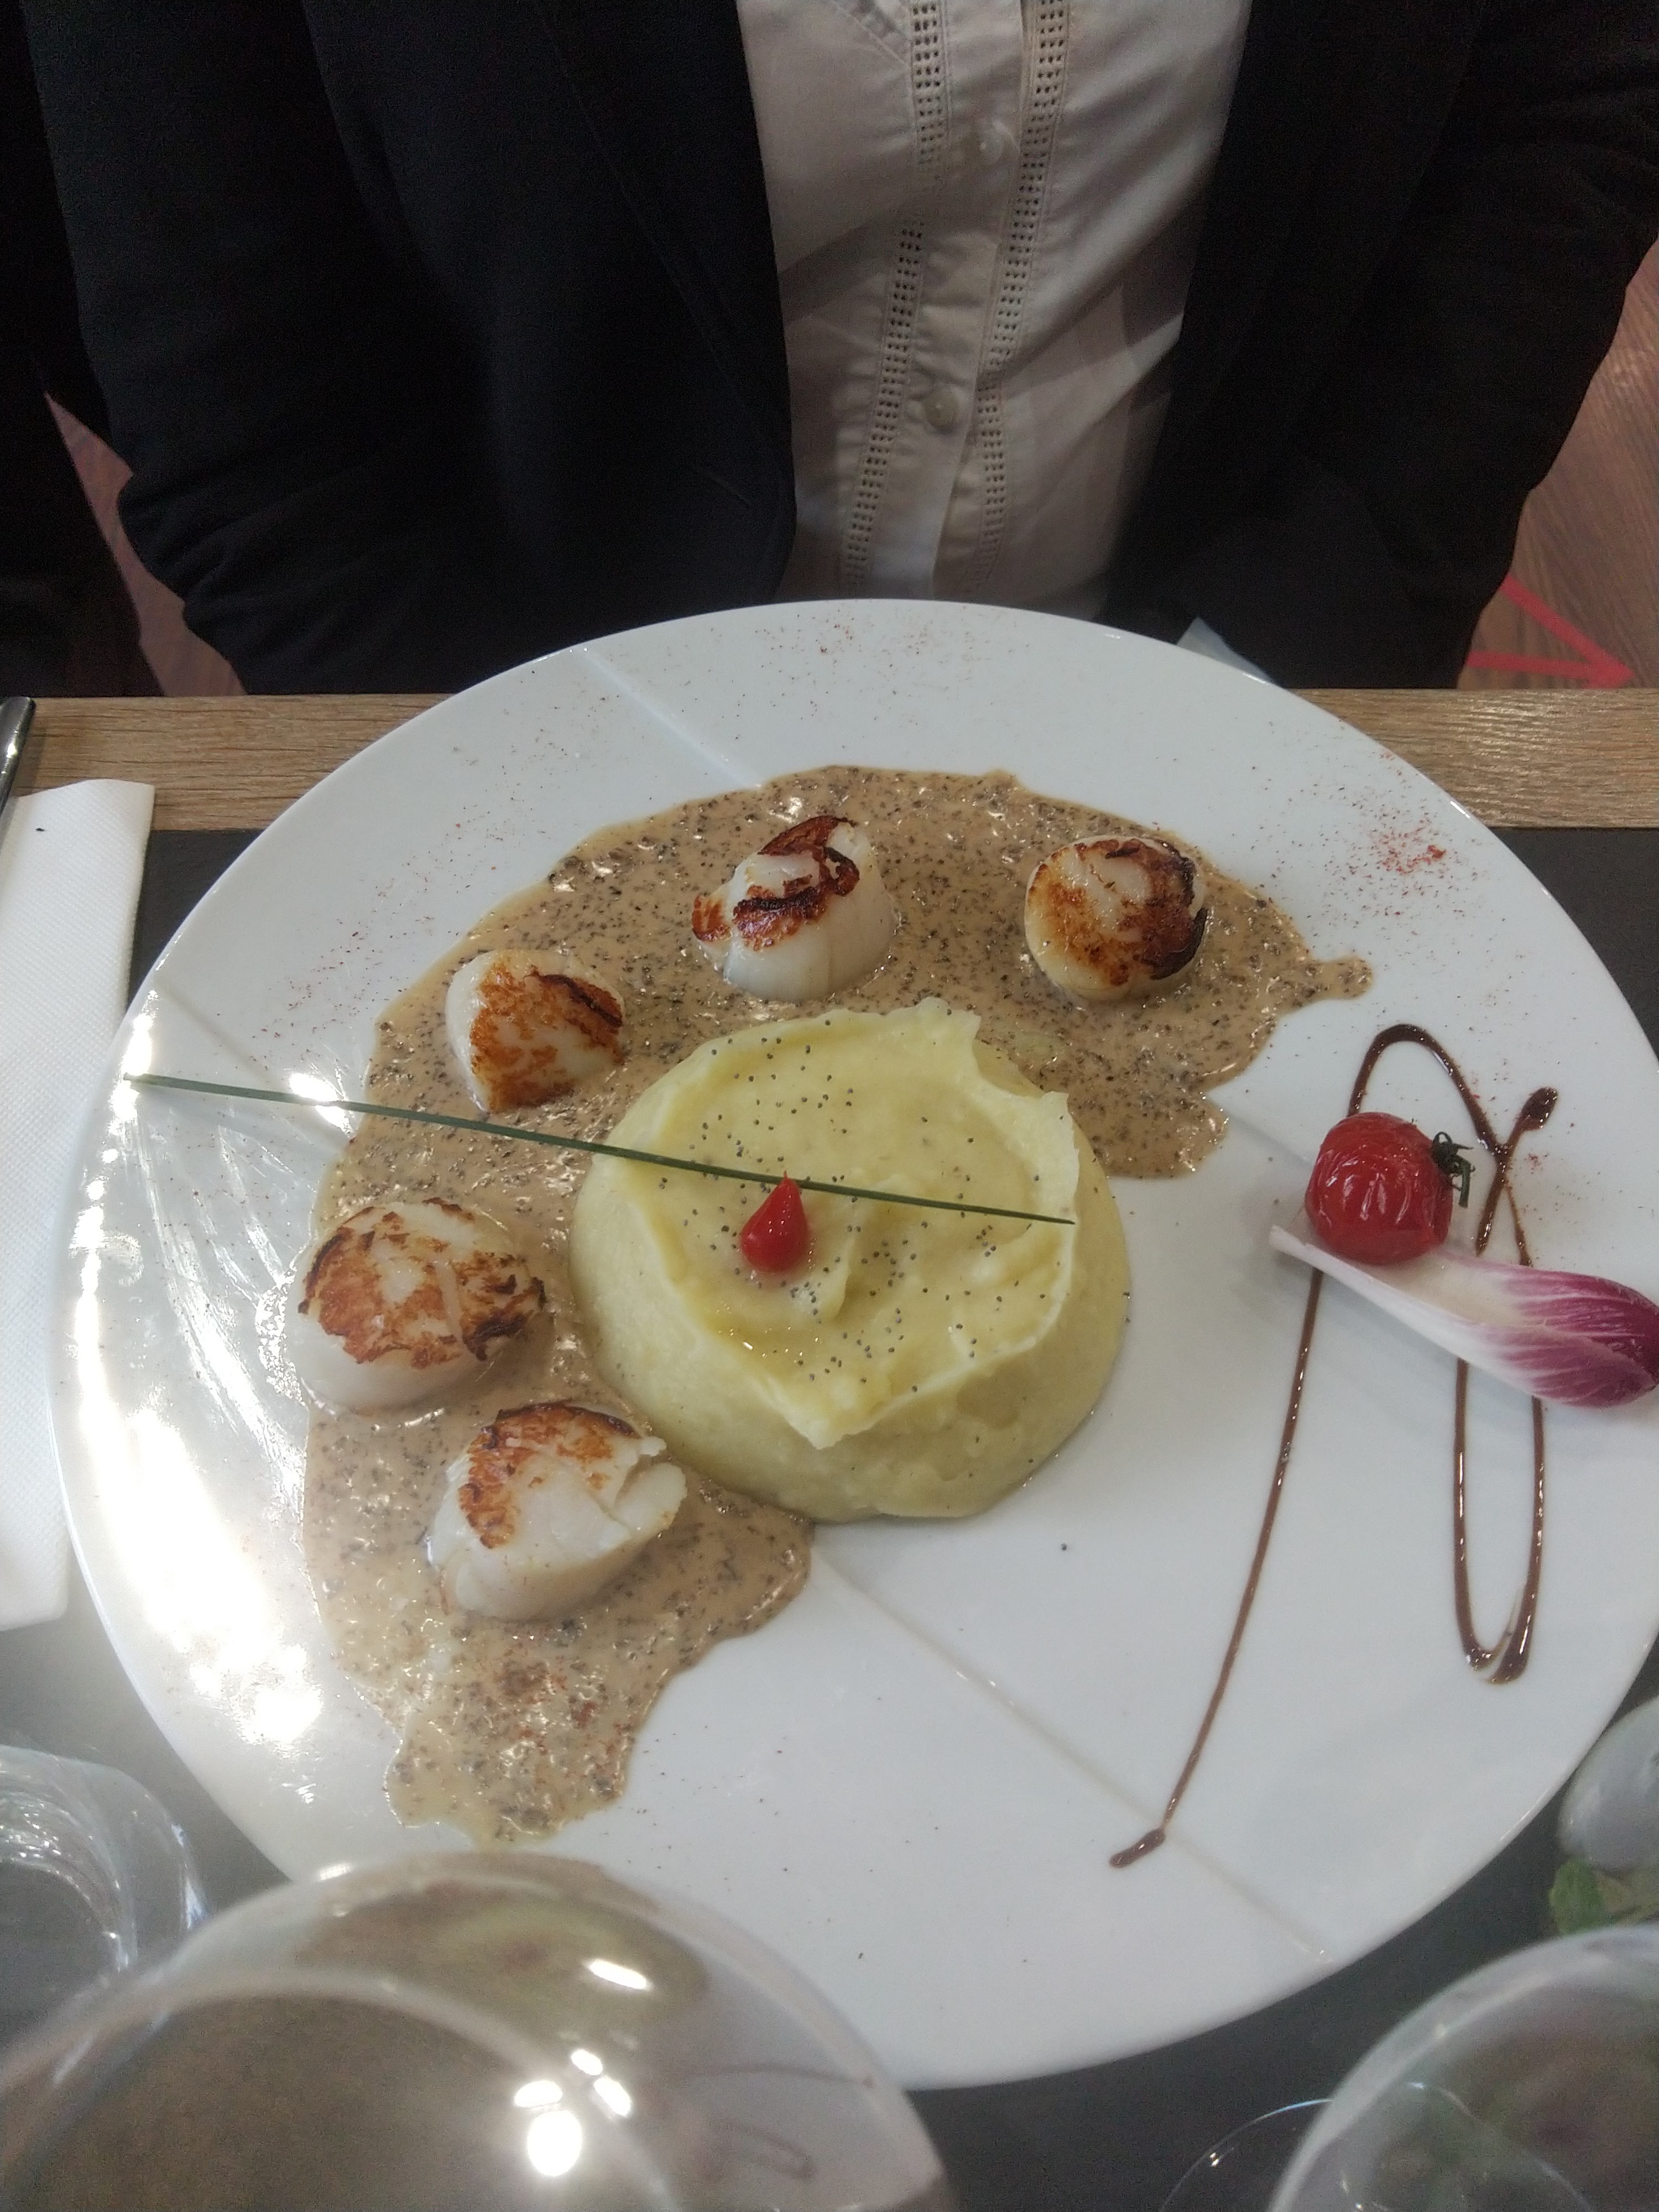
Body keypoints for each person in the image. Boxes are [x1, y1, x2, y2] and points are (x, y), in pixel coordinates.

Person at [19, 1, 1659, 696]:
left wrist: (1269, 670)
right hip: (529, 707)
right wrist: (527, 818)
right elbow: (254, 416)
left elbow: (1563, 109)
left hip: (1216, 661)